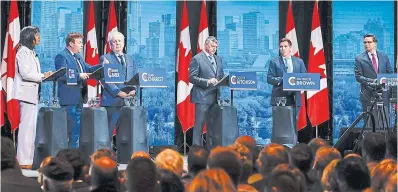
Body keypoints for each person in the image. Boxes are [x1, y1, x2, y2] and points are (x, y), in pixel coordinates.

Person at [14, 26, 53, 169]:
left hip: (32, 95)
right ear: (30, 36)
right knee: (26, 128)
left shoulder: (31, 52)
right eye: (37, 35)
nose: (39, 38)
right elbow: (25, 73)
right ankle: (23, 160)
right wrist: (43, 76)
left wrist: (45, 76)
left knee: (31, 129)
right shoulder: (22, 52)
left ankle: (29, 160)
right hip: (26, 95)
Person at [55, 32, 102, 148]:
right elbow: (61, 75)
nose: (82, 45)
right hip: (69, 98)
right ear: (71, 43)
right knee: (70, 128)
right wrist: (78, 76)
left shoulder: (78, 57)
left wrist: (102, 65)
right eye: (79, 42)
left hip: (80, 97)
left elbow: (89, 69)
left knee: (77, 128)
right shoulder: (62, 56)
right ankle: (68, 154)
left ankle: (74, 153)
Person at [267, 38, 307, 146]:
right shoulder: (274, 61)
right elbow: (269, 78)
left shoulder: (299, 62)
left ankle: (293, 145)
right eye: (281, 46)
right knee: (279, 125)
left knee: (293, 124)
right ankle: (277, 147)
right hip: (279, 98)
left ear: (290, 48)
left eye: (285, 46)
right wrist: (283, 80)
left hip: (295, 98)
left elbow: (304, 77)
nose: (282, 48)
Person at [100, 31, 137, 143]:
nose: (117, 43)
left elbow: (135, 76)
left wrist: (134, 89)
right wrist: (117, 92)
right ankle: (106, 158)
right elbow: (104, 79)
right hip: (112, 101)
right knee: (107, 133)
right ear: (110, 45)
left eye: (119, 41)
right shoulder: (105, 58)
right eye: (114, 42)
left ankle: (124, 158)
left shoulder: (131, 59)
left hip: (129, 102)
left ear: (124, 43)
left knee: (126, 134)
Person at [189, 36, 224, 149]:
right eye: (212, 46)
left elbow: (220, 75)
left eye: (216, 47)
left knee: (212, 126)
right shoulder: (197, 59)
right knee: (199, 125)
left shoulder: (218, 59)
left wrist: (222, 80)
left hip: (215, 97)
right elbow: (192, 77)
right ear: (206, 45)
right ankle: (196, 152)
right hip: (202, 97)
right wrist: (207, 82)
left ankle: (210, 151)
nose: (214, 49)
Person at [354, 33, 393, 128]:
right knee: (369, 126)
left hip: (383, 96)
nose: (367, 44)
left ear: (375, 43)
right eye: (365, 42)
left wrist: (384, 82)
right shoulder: (359, 59)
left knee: (385, 125)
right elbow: (358, 77)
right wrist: (373, 81)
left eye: (369, 42)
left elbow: (390, 74)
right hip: (368, 96)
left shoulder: (384, 57)